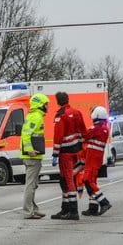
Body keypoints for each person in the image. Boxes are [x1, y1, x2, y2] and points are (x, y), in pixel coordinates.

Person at [51, 91, 87, 220]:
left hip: (65, 153)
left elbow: (58, 136)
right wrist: (83, 148)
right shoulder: (77, 112)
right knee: (64, 181)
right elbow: (83, 131)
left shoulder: (60, 115)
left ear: (58, 101)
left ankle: (73, 211)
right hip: (76, 151)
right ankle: (65, 209)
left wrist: (55, 154)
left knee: (67, 181)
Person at [20, 93, 49, 219]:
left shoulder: (32, 115)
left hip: (32, 157)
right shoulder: (36, 117)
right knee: (30, 185)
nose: (48, 106)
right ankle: (28, 211)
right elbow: (26, 135)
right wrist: (30, 150)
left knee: (33, 185)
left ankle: (33, 209)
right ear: (40, 104)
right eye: (46, 104)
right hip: (32, 157)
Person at [81, 106, 113, 216]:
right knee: (92, 182)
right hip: (96, 159)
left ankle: (104, 202)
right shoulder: (104, 128)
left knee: (88, 181)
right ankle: (93, 207)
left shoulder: (96, 129)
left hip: (92, 159)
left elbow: (84, 135)